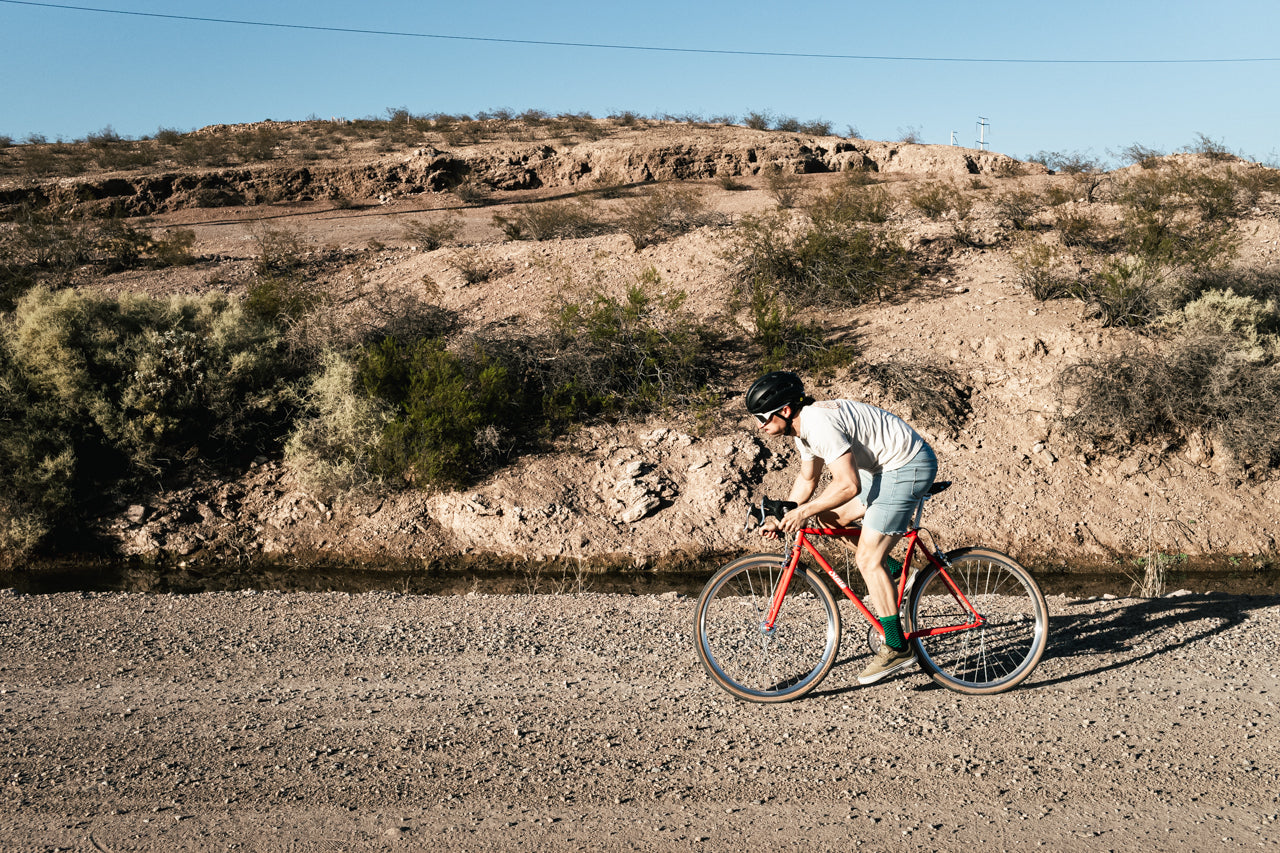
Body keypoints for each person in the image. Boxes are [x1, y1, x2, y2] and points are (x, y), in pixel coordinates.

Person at [745, 370, 938, 685]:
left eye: (763, 417)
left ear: (785, 410)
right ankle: (896, 572)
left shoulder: (818, 424)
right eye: (755, 419)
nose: (760, 425)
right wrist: (787, 517)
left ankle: (898, 646)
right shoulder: (803, 429)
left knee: (866, 559)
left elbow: (848, 485)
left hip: (907, 465)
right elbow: (808, 480)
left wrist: (803, 511)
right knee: (829, 518)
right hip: (883, 468)